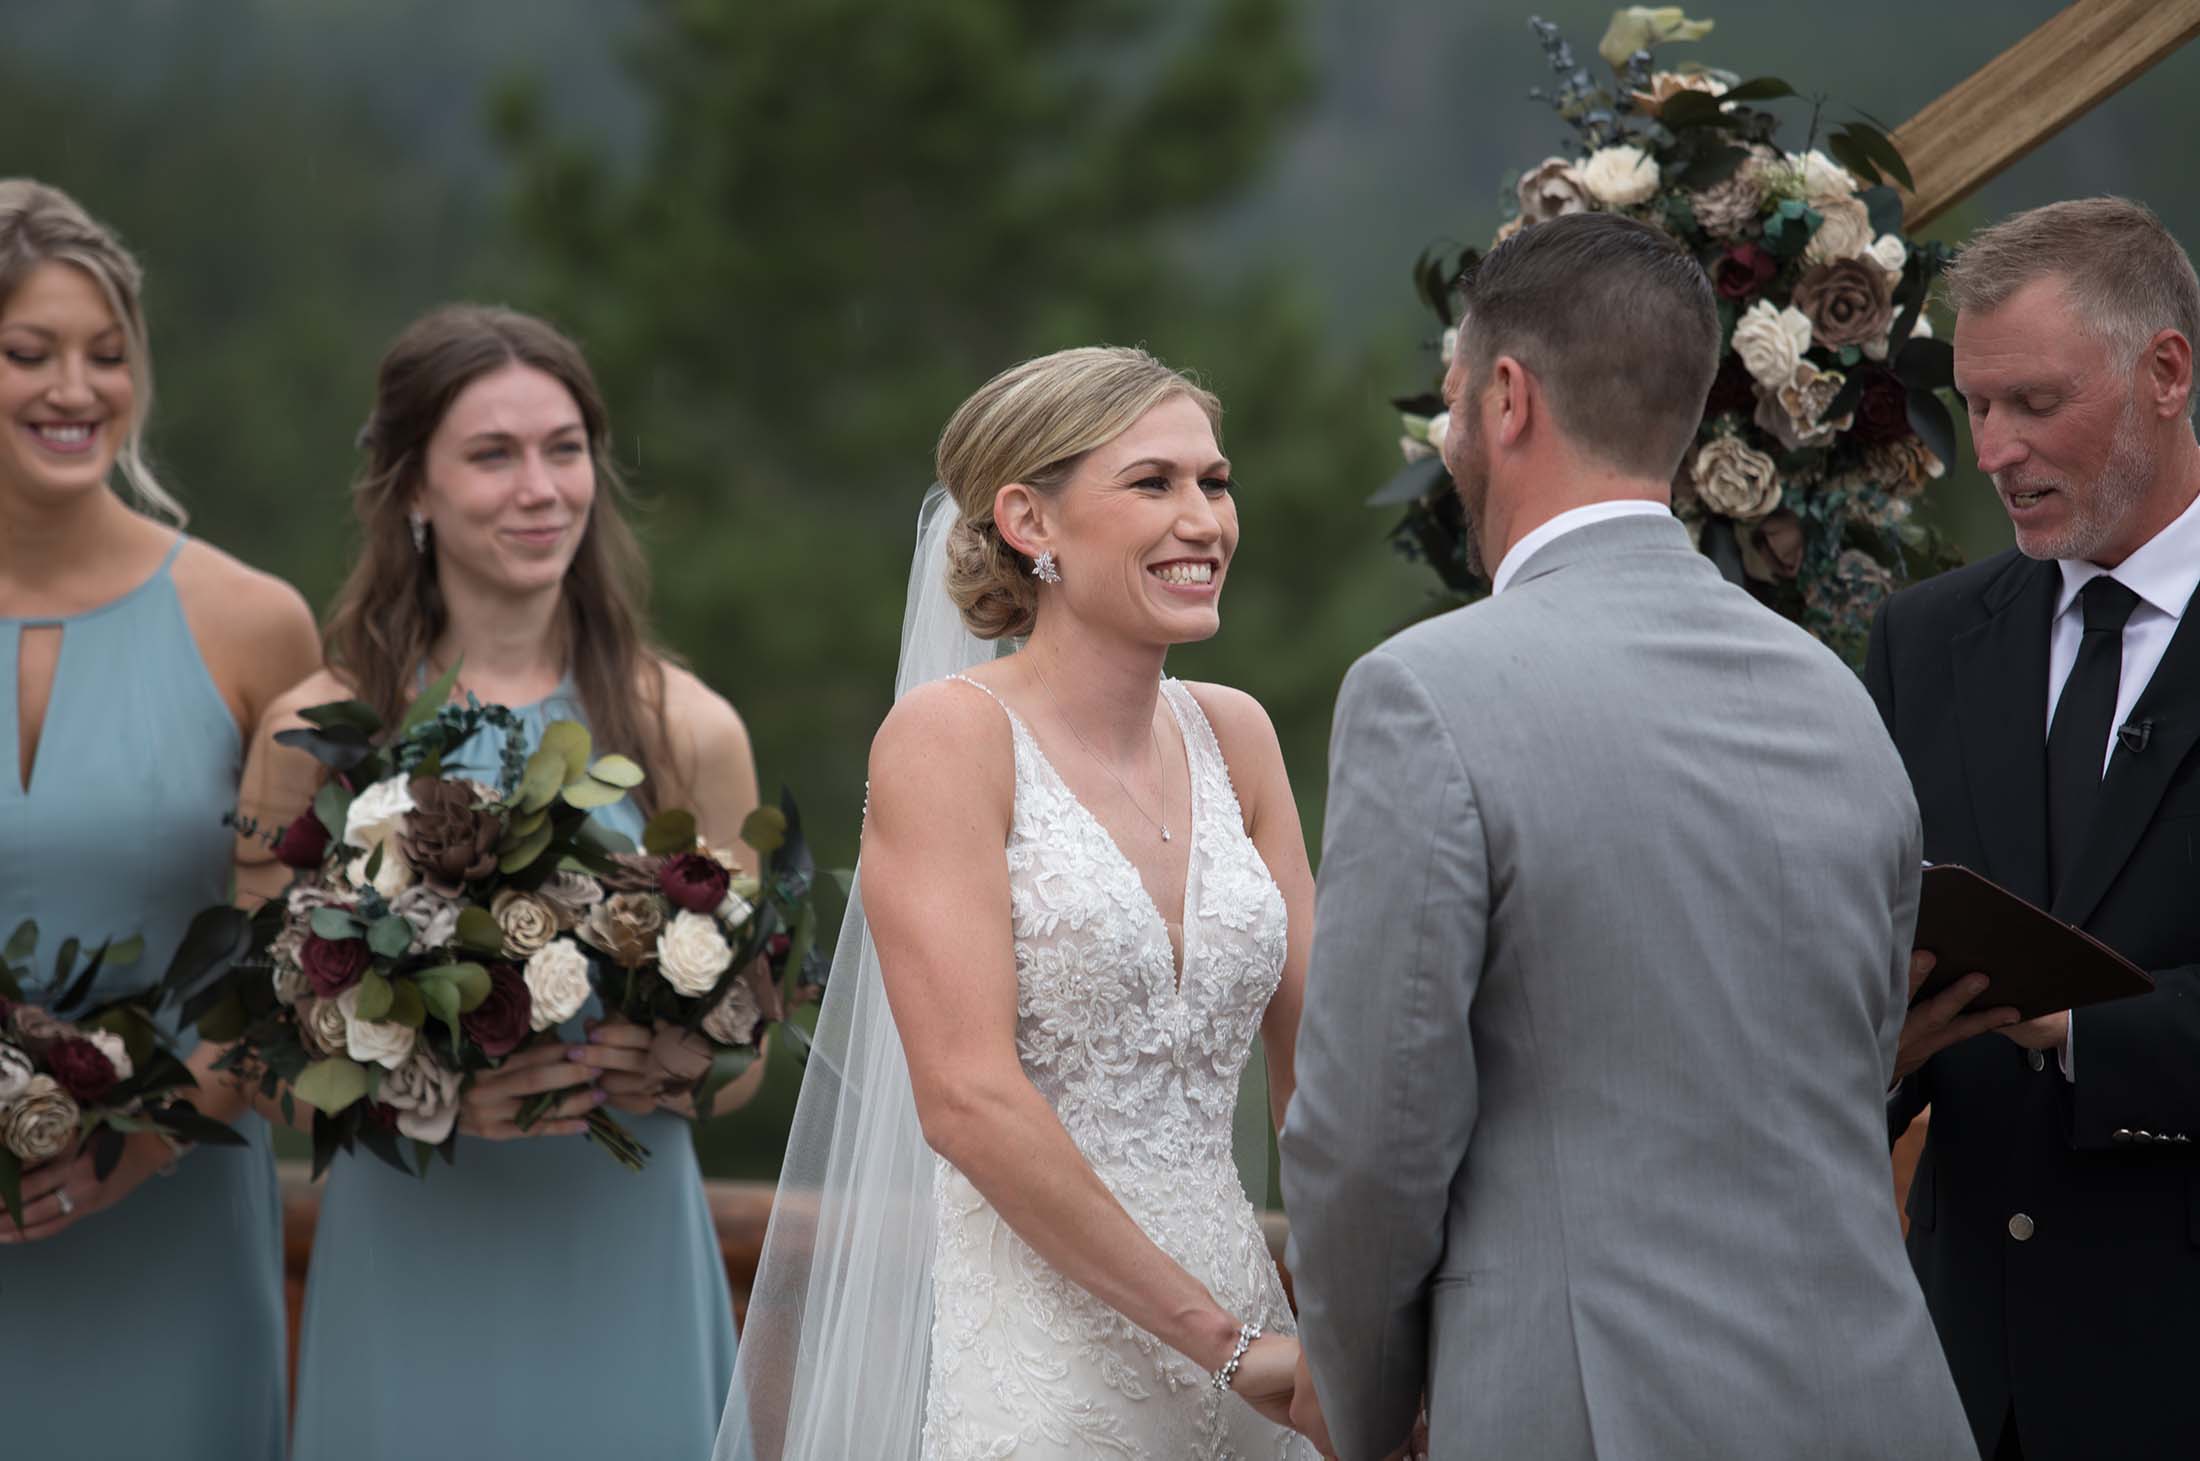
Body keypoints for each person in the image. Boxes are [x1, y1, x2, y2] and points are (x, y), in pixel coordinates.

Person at [1279, 212, 1976, 1461]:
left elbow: (1371, 1136)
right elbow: (1854, 1057)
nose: (1448, 438)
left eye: (1450, 403)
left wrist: (1364, 1404)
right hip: (1875, 1399)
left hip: (1593, 1409)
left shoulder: (1424, 693)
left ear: (1506, 398)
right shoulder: (1833, 695)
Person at [715, 346, 1322, 1459]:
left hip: (1269, 1359)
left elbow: (1315, 1077)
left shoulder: (1238, 736)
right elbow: (967, 1100)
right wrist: (1226, 1344)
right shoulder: (951, 740)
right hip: (1057, 1368)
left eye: (1214, 482)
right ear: (1029, 521)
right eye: (1154, 484)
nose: (1205, 521)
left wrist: (1347, 1327)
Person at [235, 304, 763, 1461]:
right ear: (411, 489)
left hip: (622, 1248)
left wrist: (678, 1061)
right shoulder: (318, 732)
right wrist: (409, 1095)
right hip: (412, 1246)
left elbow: (746, 1054)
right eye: (493, 454)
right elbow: (254, 1058)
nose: (541, 487)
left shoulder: (688, 730)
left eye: (563, 449)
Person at [1868, 196, 2200, 1461]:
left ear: (2165, 372)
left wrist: (2076, 1026)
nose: (1993, 449)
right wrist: (1880, 1040)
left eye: (2033, 403)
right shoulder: (1924, 640)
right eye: (1974, 406)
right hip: (1963, 1382)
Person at [0, 178, 320, 1457]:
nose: (74, 389)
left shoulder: (254, 624)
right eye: (28, 353)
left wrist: (115, 1160)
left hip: (174, 1227)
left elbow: (290, 961)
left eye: (106, 354)